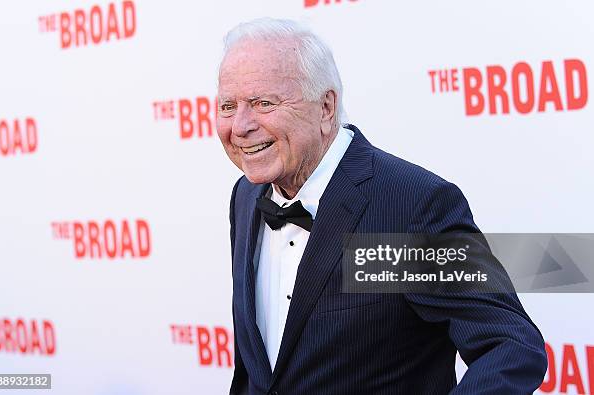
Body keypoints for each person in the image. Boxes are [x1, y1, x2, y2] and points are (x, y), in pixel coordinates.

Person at [216, 17, 547, 395]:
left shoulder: (409, 206)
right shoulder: (245, 196)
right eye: (228, 106)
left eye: (263, 103)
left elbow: (509, 346)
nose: (240, 125)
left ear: (326, 108)